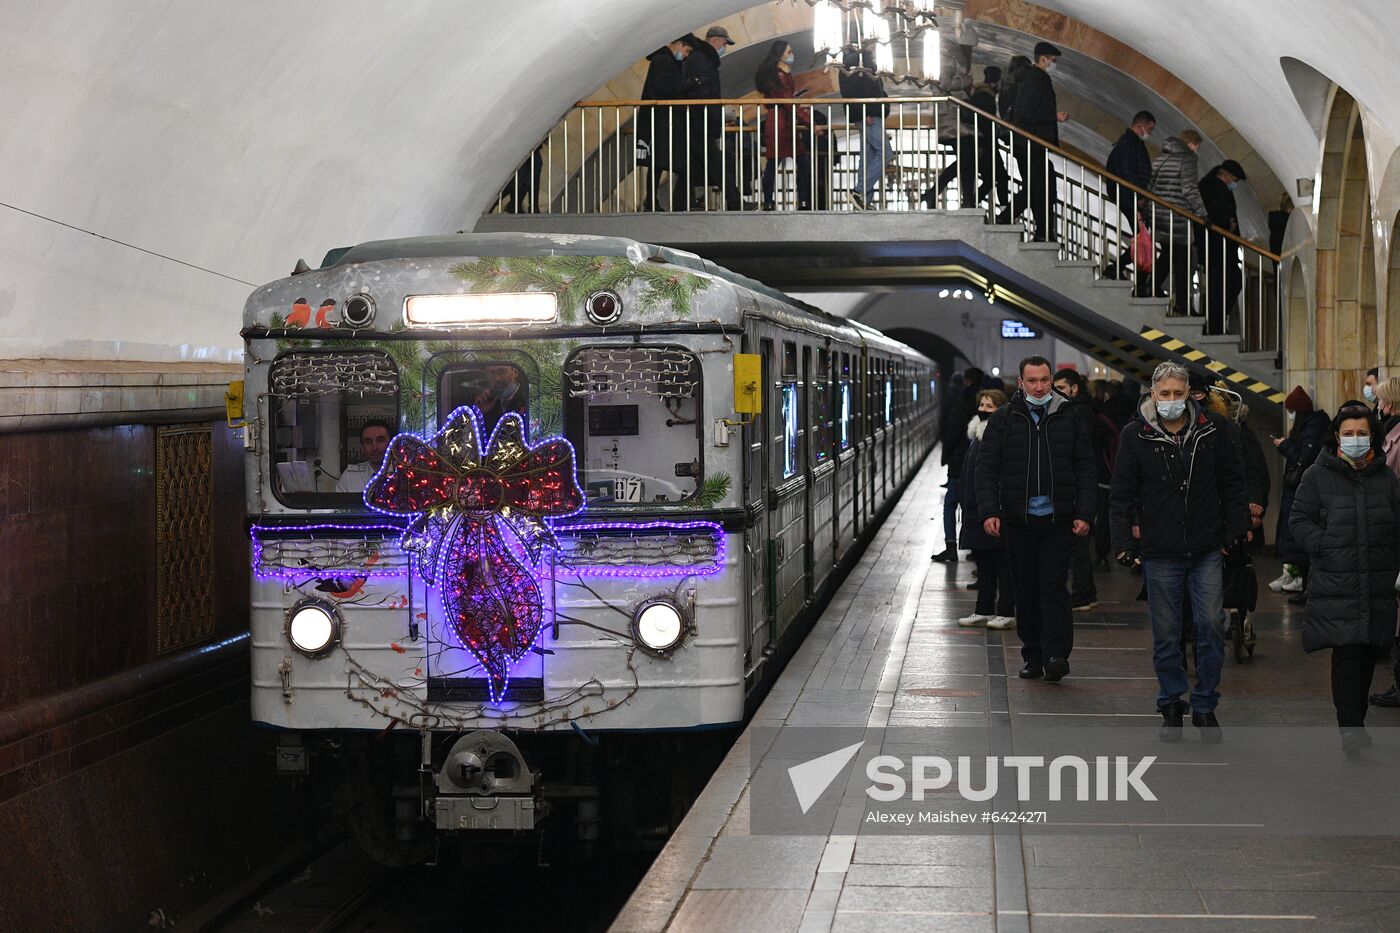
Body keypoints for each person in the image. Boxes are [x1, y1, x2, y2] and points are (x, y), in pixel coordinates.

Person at [1110, 363, 1248, 743]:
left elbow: (1233, 482)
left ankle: (1205, 704)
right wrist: (1122, 542)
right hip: (1160, 550)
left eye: (1178, 393)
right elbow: (1121, 494)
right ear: (1153, 395)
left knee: (1210, 627)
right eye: (1164, 393)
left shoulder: (1214, 431)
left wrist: (1236, 532)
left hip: (1206, 547)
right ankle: (1171, 701)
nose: (1171, 400)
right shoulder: (1135, 436)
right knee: (1167, 634)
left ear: (1189, 394)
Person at [975, 356, 1098, 683]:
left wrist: (1085, 512)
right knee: (1025, 588)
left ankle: (1057, 654)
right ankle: (1033, 654)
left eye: (1045, 380)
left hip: (1059, 521)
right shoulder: (1005, 419)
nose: (1040, 386)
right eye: (1033, 381)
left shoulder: (1069, 417)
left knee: (1054, 586)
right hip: (1019, 521)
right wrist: (989, 511)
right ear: (1021, 382)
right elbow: (986, 469)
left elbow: (1086, 467)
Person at [1289, 402, 1400, 756]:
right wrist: (1324, 546)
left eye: (1362, 434)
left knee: (1368, 651)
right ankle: (1350, 727)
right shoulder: (1317, 476)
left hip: (1377, 579)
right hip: (1337, 578)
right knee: (1347, 650)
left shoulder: (1386, 478)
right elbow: (1299, 520)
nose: (1355, 440)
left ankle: (1356, 721)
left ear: (1373, 436)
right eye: (1348, 434)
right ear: (1337, 437)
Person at [958, 389, 1016, 629]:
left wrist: (995, 509)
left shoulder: (999, 438)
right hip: (974, 510)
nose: (983, 409)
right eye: (981, 404)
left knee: (1003, 564)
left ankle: (1006, 611)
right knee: (983, 564)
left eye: (989, 406)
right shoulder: (975, 438)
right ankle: (983, 609)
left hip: (993, 511)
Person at [1270, 386, 1331, 602]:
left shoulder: (1312, 428)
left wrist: (1285, 445)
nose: (1290, 415)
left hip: (1301, 491)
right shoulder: (1311, 426)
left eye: (1291, 410)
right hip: (1296, 491)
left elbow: (1305, 459)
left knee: (1301, 543)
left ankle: (1305, 587)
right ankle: (1302, 584)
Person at [1054, 368, 1106, 610]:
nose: (1057, 393)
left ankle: (1083, 592)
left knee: (1078, 546)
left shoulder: (1079, 413)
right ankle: (1085, 591)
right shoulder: (1082, 409)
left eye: (1061, 388)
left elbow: (1083, 457)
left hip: (1077, 488)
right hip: (1077, 486)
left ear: (1074, 388)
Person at [1010, 41, 1068, 242]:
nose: (1054, 63)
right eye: (1052, 60)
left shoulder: (1037, 79)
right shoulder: (1035, 80)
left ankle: (1044, 232)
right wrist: (1053, 117)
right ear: (1042, 59)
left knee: (1040, 188)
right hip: (1030, 143)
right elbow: (1025, 113)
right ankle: (1005, 216)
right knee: (1036, 187)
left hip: (1032, 144)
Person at [923, 68, 1002, 209]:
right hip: (954, 122)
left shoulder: (954, 73)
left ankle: (940, 195)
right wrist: (966, 80)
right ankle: (966, 201)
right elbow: (945, 84)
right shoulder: (946, 67)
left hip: (957, 122)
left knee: (966, 161)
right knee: (967, 161)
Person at [1149, 129, 1208, 315]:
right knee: (1183, 261)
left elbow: (1150, 187)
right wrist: (1202, 214)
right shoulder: (1187, 159)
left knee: (1167, 255)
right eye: (1197, 147)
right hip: (1178, 217)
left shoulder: (1160, 158)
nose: (1197, 150)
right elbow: (1189, 189)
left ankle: (1149, 288)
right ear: (1190, 144)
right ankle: (1182, 304)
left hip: (1160, 216)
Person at [684, 26, 739, 210]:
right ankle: (734, 201)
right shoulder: (703, 59)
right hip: (701, 120)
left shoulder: (702, 58)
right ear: (715, 39)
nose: (725, 47)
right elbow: (704, 92)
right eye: (724, 42)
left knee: (691, 165)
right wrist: (714, 115)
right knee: (715, 162)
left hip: (700, 119)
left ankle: (680, 202)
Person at [934, 367, 984, 562]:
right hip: (978, 465)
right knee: (973, 505)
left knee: (950, 504)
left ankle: (951, 546)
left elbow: (952, 433)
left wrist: (945, 457)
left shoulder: (961, 402)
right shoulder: (987, 402)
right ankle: (975, 547)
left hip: (959, 464)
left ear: (966, 381)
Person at [756, 41, 811, 211]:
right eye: (789, 52)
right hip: (783, 124)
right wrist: (810, 122)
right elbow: (789, 102)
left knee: (774, 164)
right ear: (780, 54)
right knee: (800, 164)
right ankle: (802, 200)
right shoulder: (780, 76)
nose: (791, 55)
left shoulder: (776, 75)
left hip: (777, 122)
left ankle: (769, 202)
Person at [639, 39, 693, 211]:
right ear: (679, 44)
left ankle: (652, 201)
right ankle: (655, 201)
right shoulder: (663, 60)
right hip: (662, 119)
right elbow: (665, 87)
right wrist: (689, 83)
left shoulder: (663, 60)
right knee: (660, 161)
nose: (685, 55)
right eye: (686, 51)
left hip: (662, 118)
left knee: (659, 162)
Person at [1102, 111, 1157, 282]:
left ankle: (1120, 270)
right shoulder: (1129, 143)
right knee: (1143, 239)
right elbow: (1128, 171)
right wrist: (1139, 194)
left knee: (1142, 238)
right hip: (1129, 197)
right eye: (1149, 128)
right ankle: (1138, 283)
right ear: (1140, 125)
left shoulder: (1131, 142)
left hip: (1130, 196)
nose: (1150, 133)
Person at [1198, 159, 1248, 334]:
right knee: (1222, 285)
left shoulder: (1216, 187)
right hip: (1216, 247)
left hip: (1225, 247)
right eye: (1234, 180)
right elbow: (1212, 215)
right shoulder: (1210, 187)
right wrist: (1228, 225)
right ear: (1225, 175)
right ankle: (1214, 324)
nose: (1234, 184)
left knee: (1231, 282)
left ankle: (1216, 321)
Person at [839, 43, 889, 210]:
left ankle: (864, 201)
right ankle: (859, 191)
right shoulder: (858, 62)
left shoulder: (854, 62)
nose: (875, 43)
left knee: (868, 155)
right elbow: (859, 90)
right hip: (869, 113)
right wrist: (866, 110)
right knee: (886, 153)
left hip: (867, 112)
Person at [336, 420, 393, 493]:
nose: (374, 447)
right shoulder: (350, 476)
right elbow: (338, 504)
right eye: (368, 442)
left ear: (391, 444)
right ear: (362, 448)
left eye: (380, 440)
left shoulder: (404, 475)